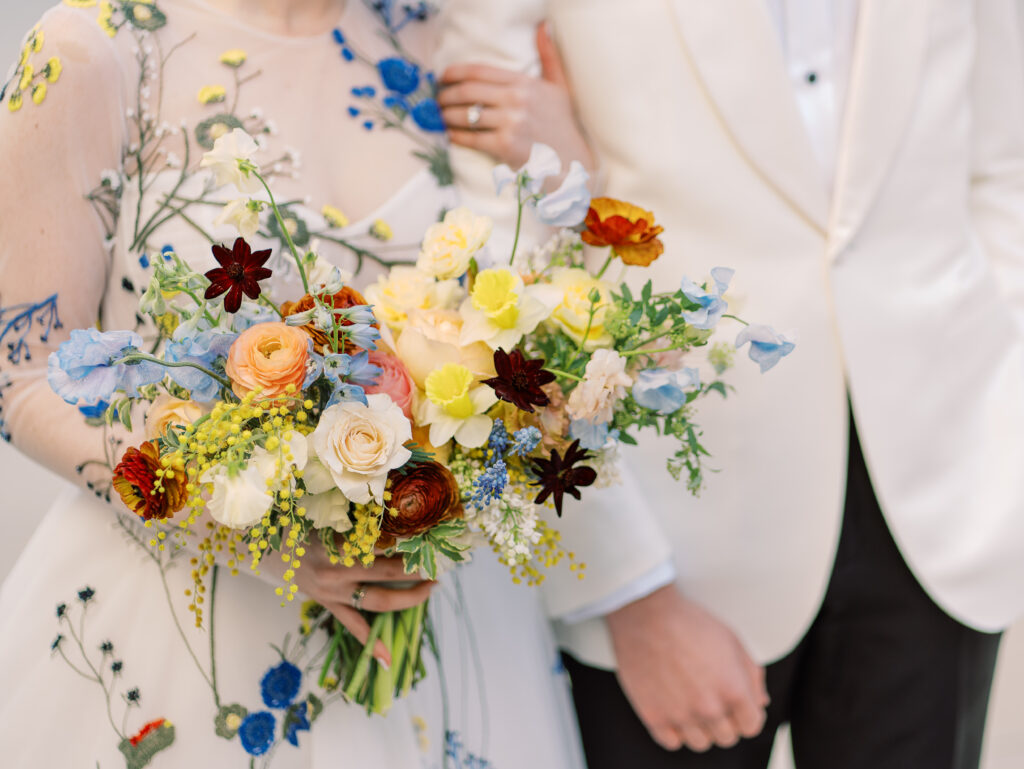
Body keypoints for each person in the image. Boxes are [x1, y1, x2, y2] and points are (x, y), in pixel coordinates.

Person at [435, 1, 1024, 767]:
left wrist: (1002, 440)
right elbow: (496, 274)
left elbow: (1003, 172)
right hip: (672, 542)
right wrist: (627, 590)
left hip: (940, 520)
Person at [0, 1, 585, 767]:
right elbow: (22, 372)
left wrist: (570, 166)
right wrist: (240, 534)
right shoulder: (95, 50)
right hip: (185, 613)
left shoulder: (426, 38)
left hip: (441, 620)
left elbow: (500, 307)